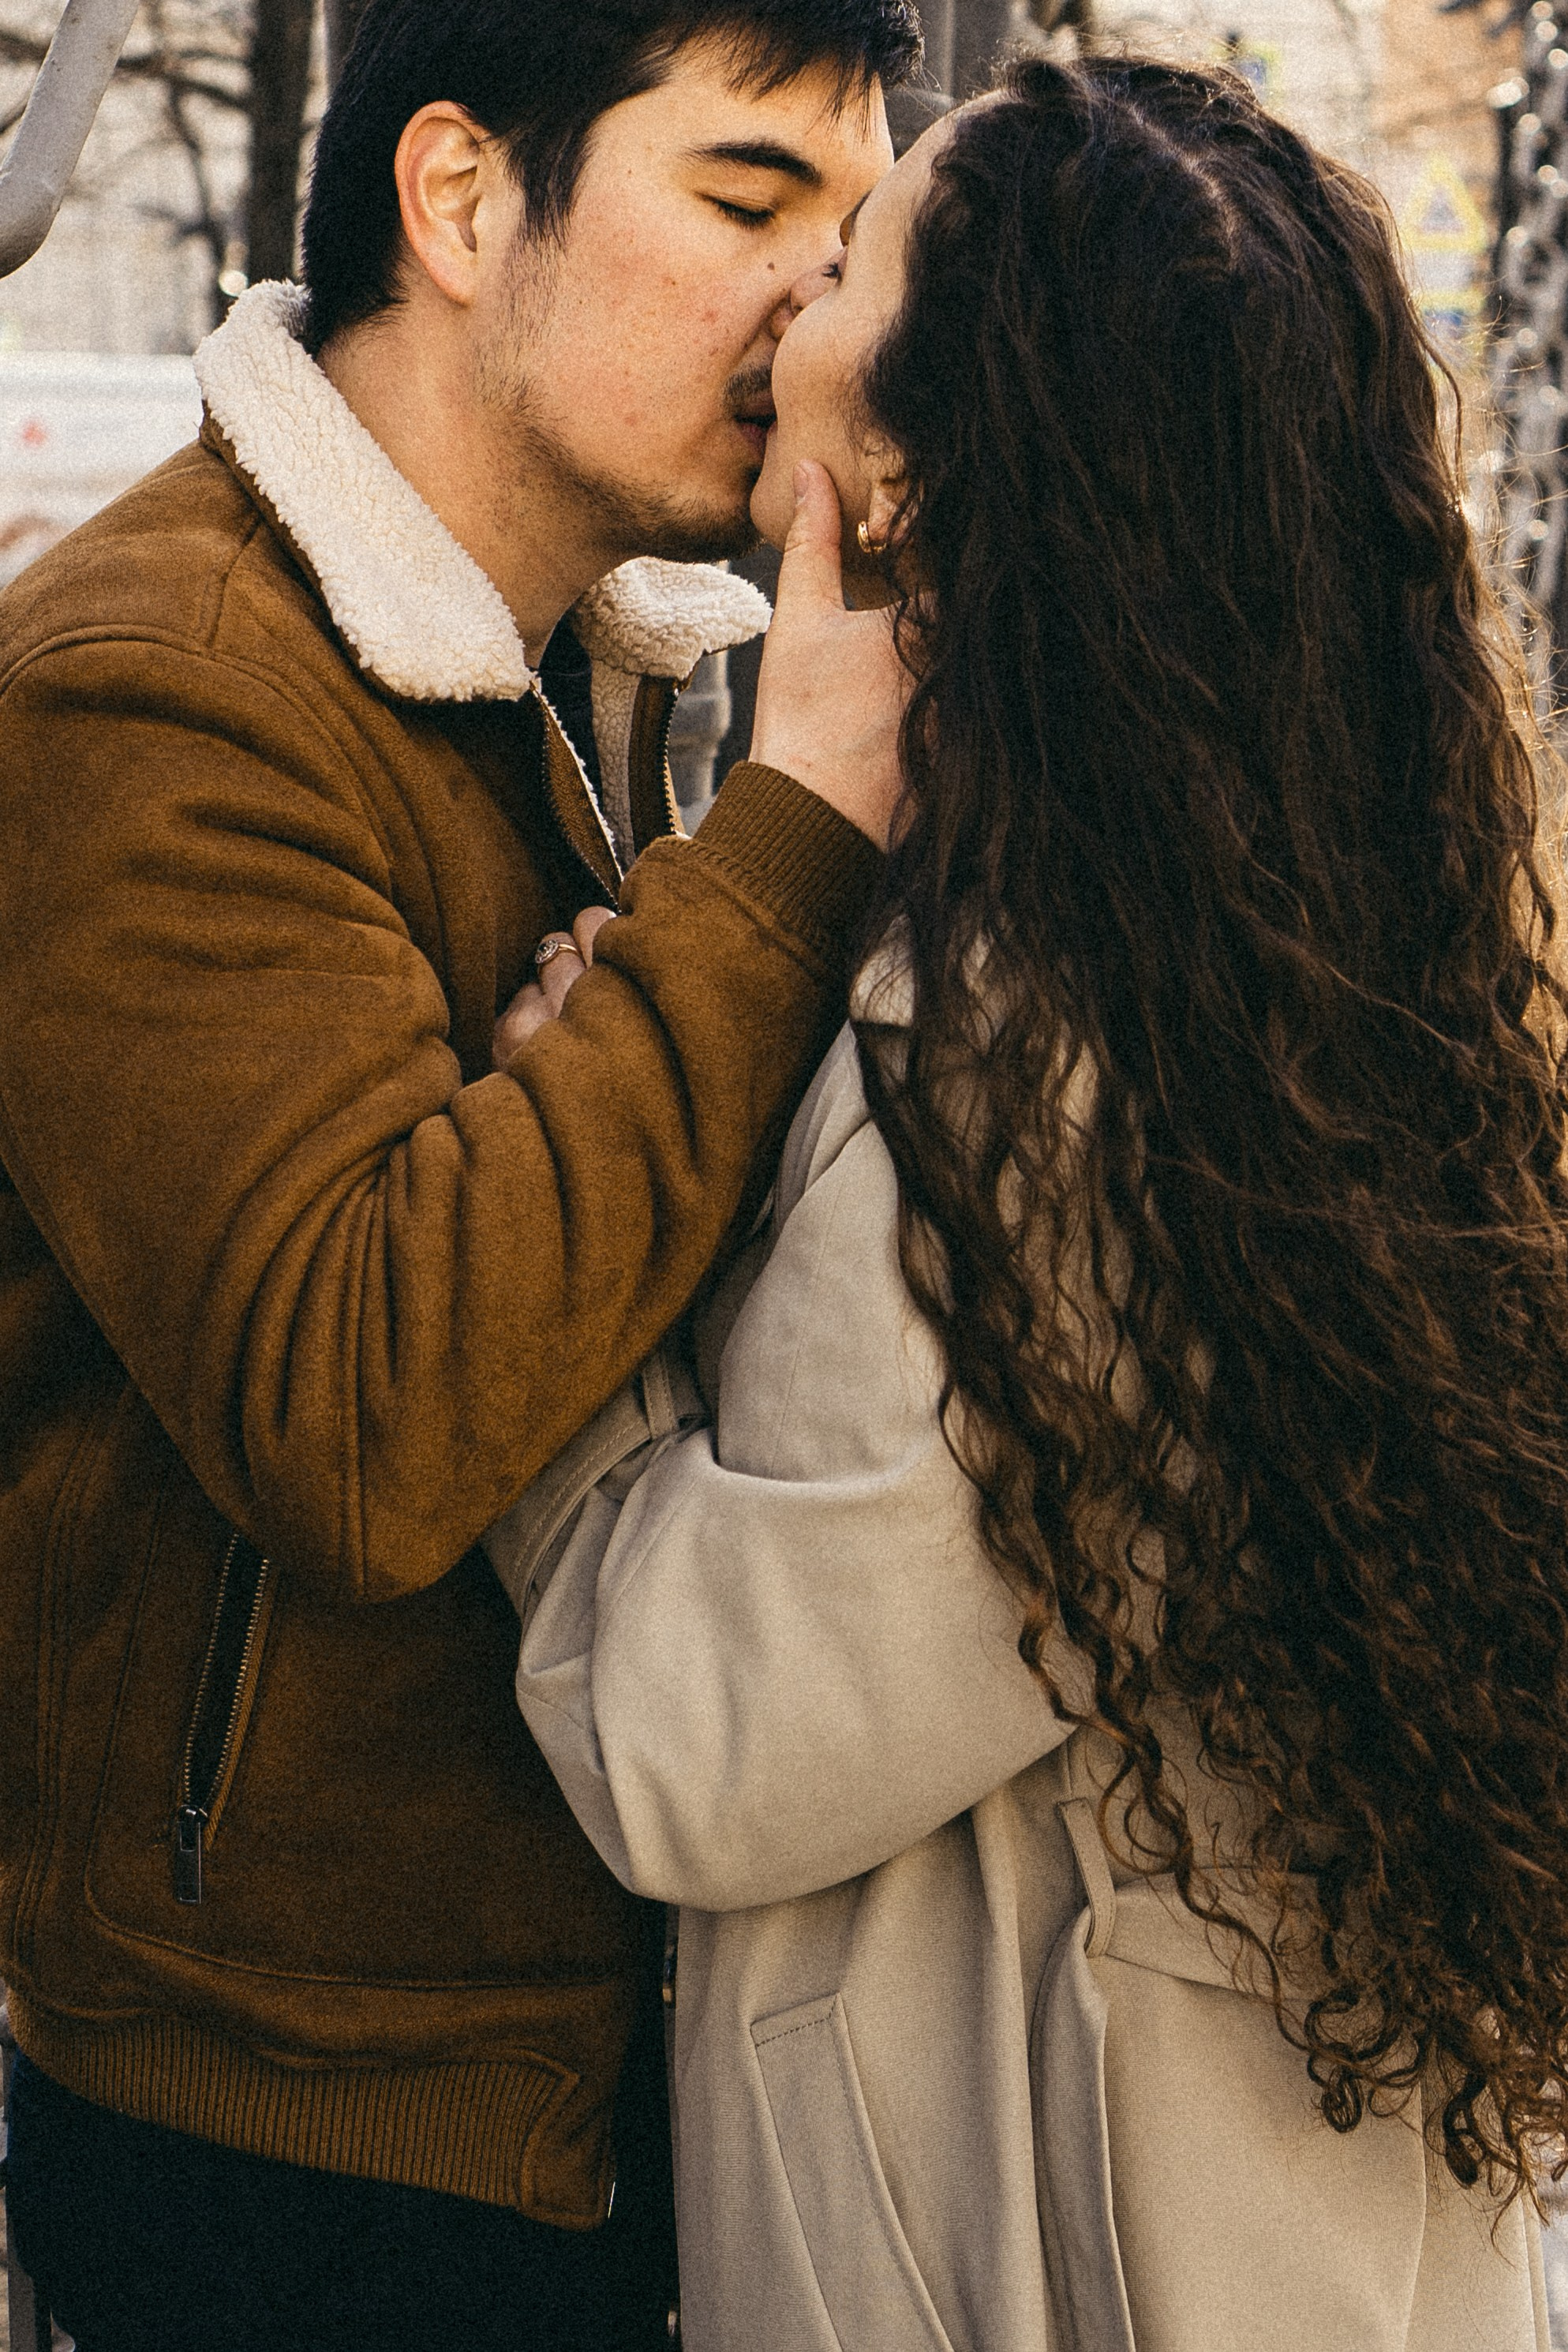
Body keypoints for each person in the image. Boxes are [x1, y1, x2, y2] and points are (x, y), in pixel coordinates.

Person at [496, 56, 1568, 2352]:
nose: (787, 292)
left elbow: (696, 1735)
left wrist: (560, 1180)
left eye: (855, 259)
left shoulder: (1029, 1069)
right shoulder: (1276, 952)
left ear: (917, 466)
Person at [0, 2, 922, 2346]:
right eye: (742, 204)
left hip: (530, 2057)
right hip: (291, 2134)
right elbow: (369, 1417)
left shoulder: (566, 670)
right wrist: (798, 833)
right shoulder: (159, 678)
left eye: (850, 228)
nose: (812, 300)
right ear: (456, 197)